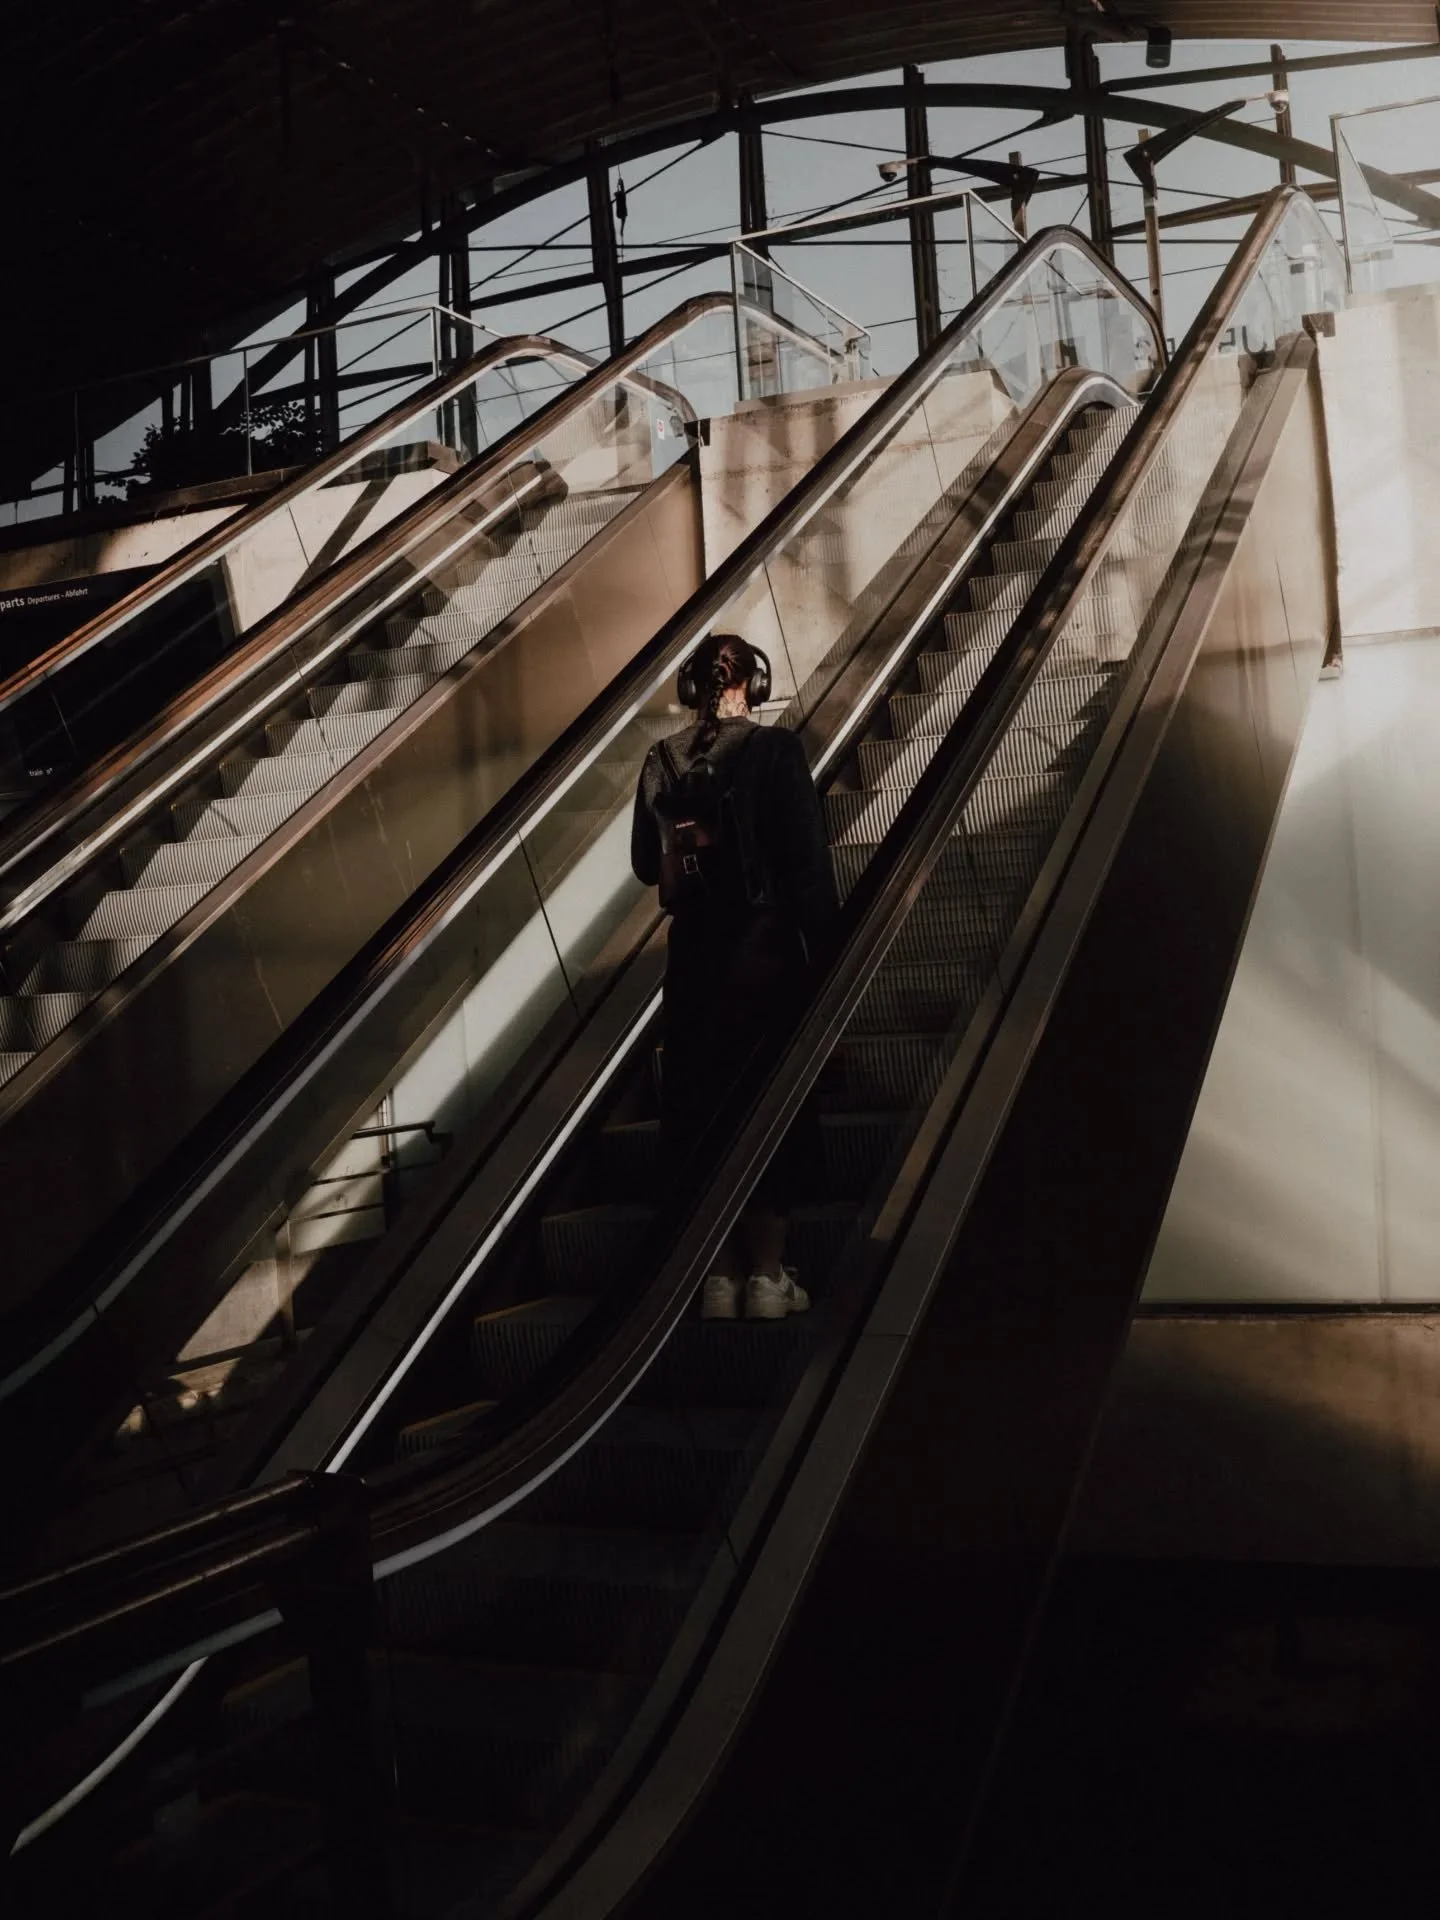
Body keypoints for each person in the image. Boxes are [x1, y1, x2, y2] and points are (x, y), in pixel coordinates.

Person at [631, 631, 838, 1321]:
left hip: (693, 965)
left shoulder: (660, 760)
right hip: (765, 957)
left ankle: (717, 1277)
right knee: (769, 1104)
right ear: (753, 683)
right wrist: (827, 950)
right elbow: (808, 868)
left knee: (702, 1114)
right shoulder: (775, 752)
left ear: (693, 688)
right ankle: (769, 1277)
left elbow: (643, 862)